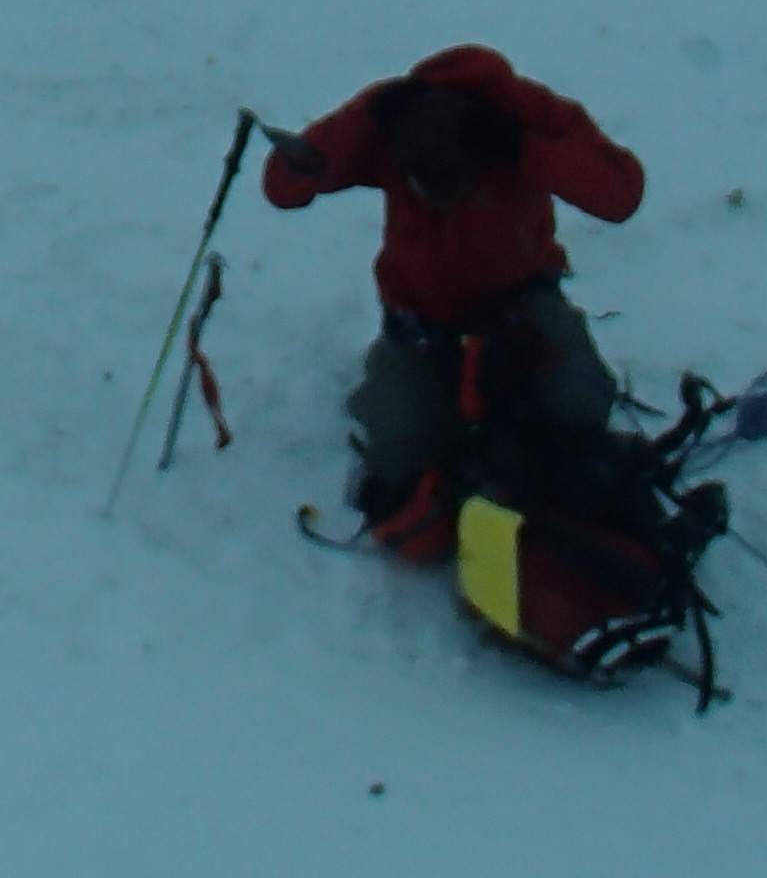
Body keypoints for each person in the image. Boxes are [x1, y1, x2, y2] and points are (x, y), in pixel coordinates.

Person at [262, 44, 646, 556]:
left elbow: (621, 194)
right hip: (422, 323)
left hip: (520, 307)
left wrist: (523, 148)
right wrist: (359, 125)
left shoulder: (527, 113)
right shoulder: (386, 118)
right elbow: (284, 185)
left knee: (578, 409)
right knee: (405, 455)